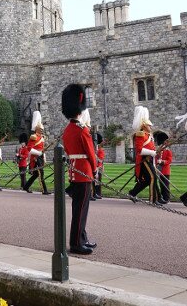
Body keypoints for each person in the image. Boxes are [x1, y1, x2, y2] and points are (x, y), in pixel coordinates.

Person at [61, 84, 97, 255]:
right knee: (81, 210)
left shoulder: (67, 130)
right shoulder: (83, 131)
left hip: (74, 172)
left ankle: (82, 238)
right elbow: (91, 154)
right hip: (84, 172)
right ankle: (76, 243)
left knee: (79, 209)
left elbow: (68, 151)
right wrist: (95, 169)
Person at [128, 106, 160, 204]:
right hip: (144, 160)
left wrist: (154, 154)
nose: (151, 127)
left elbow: (151, 149)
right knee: (152, 178)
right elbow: (139, 150)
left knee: (147, 180)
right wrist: (151, 153)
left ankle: (132, 193)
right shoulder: (141, 134)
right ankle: (153, 200)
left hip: (149, 160)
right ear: (144, 125)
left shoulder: (149, 136)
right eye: (149, 125)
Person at [23, 111, 50, 195]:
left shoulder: (42, 137)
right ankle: (44, 190)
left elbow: (41, 149)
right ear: (37, 129)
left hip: (40, 157)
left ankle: (26, 186)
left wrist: (43, 154)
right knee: (40, 173)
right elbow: (29, 148)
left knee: (35, 175)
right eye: (40, 129)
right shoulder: (33, 137)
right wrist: (39, 153)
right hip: (35, 158)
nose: (42, 130)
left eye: (42, 129)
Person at [154, 131, 173, 204]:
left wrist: (162, 162)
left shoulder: (168, 151)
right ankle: (162, 197)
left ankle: (167, 198)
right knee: (161, 184)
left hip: (165, 170)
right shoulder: (159, 149)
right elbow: (155, 157)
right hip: (159, 170)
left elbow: (169, 160)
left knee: (166, 184)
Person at [94, 132, 105, 200]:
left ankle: (98, 193)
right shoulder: (97, 149)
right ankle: (96, 193)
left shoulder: (99, 149)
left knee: (98, 181)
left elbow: (101, 160)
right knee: (96, 181)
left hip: (99, 166)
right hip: (97, 166)